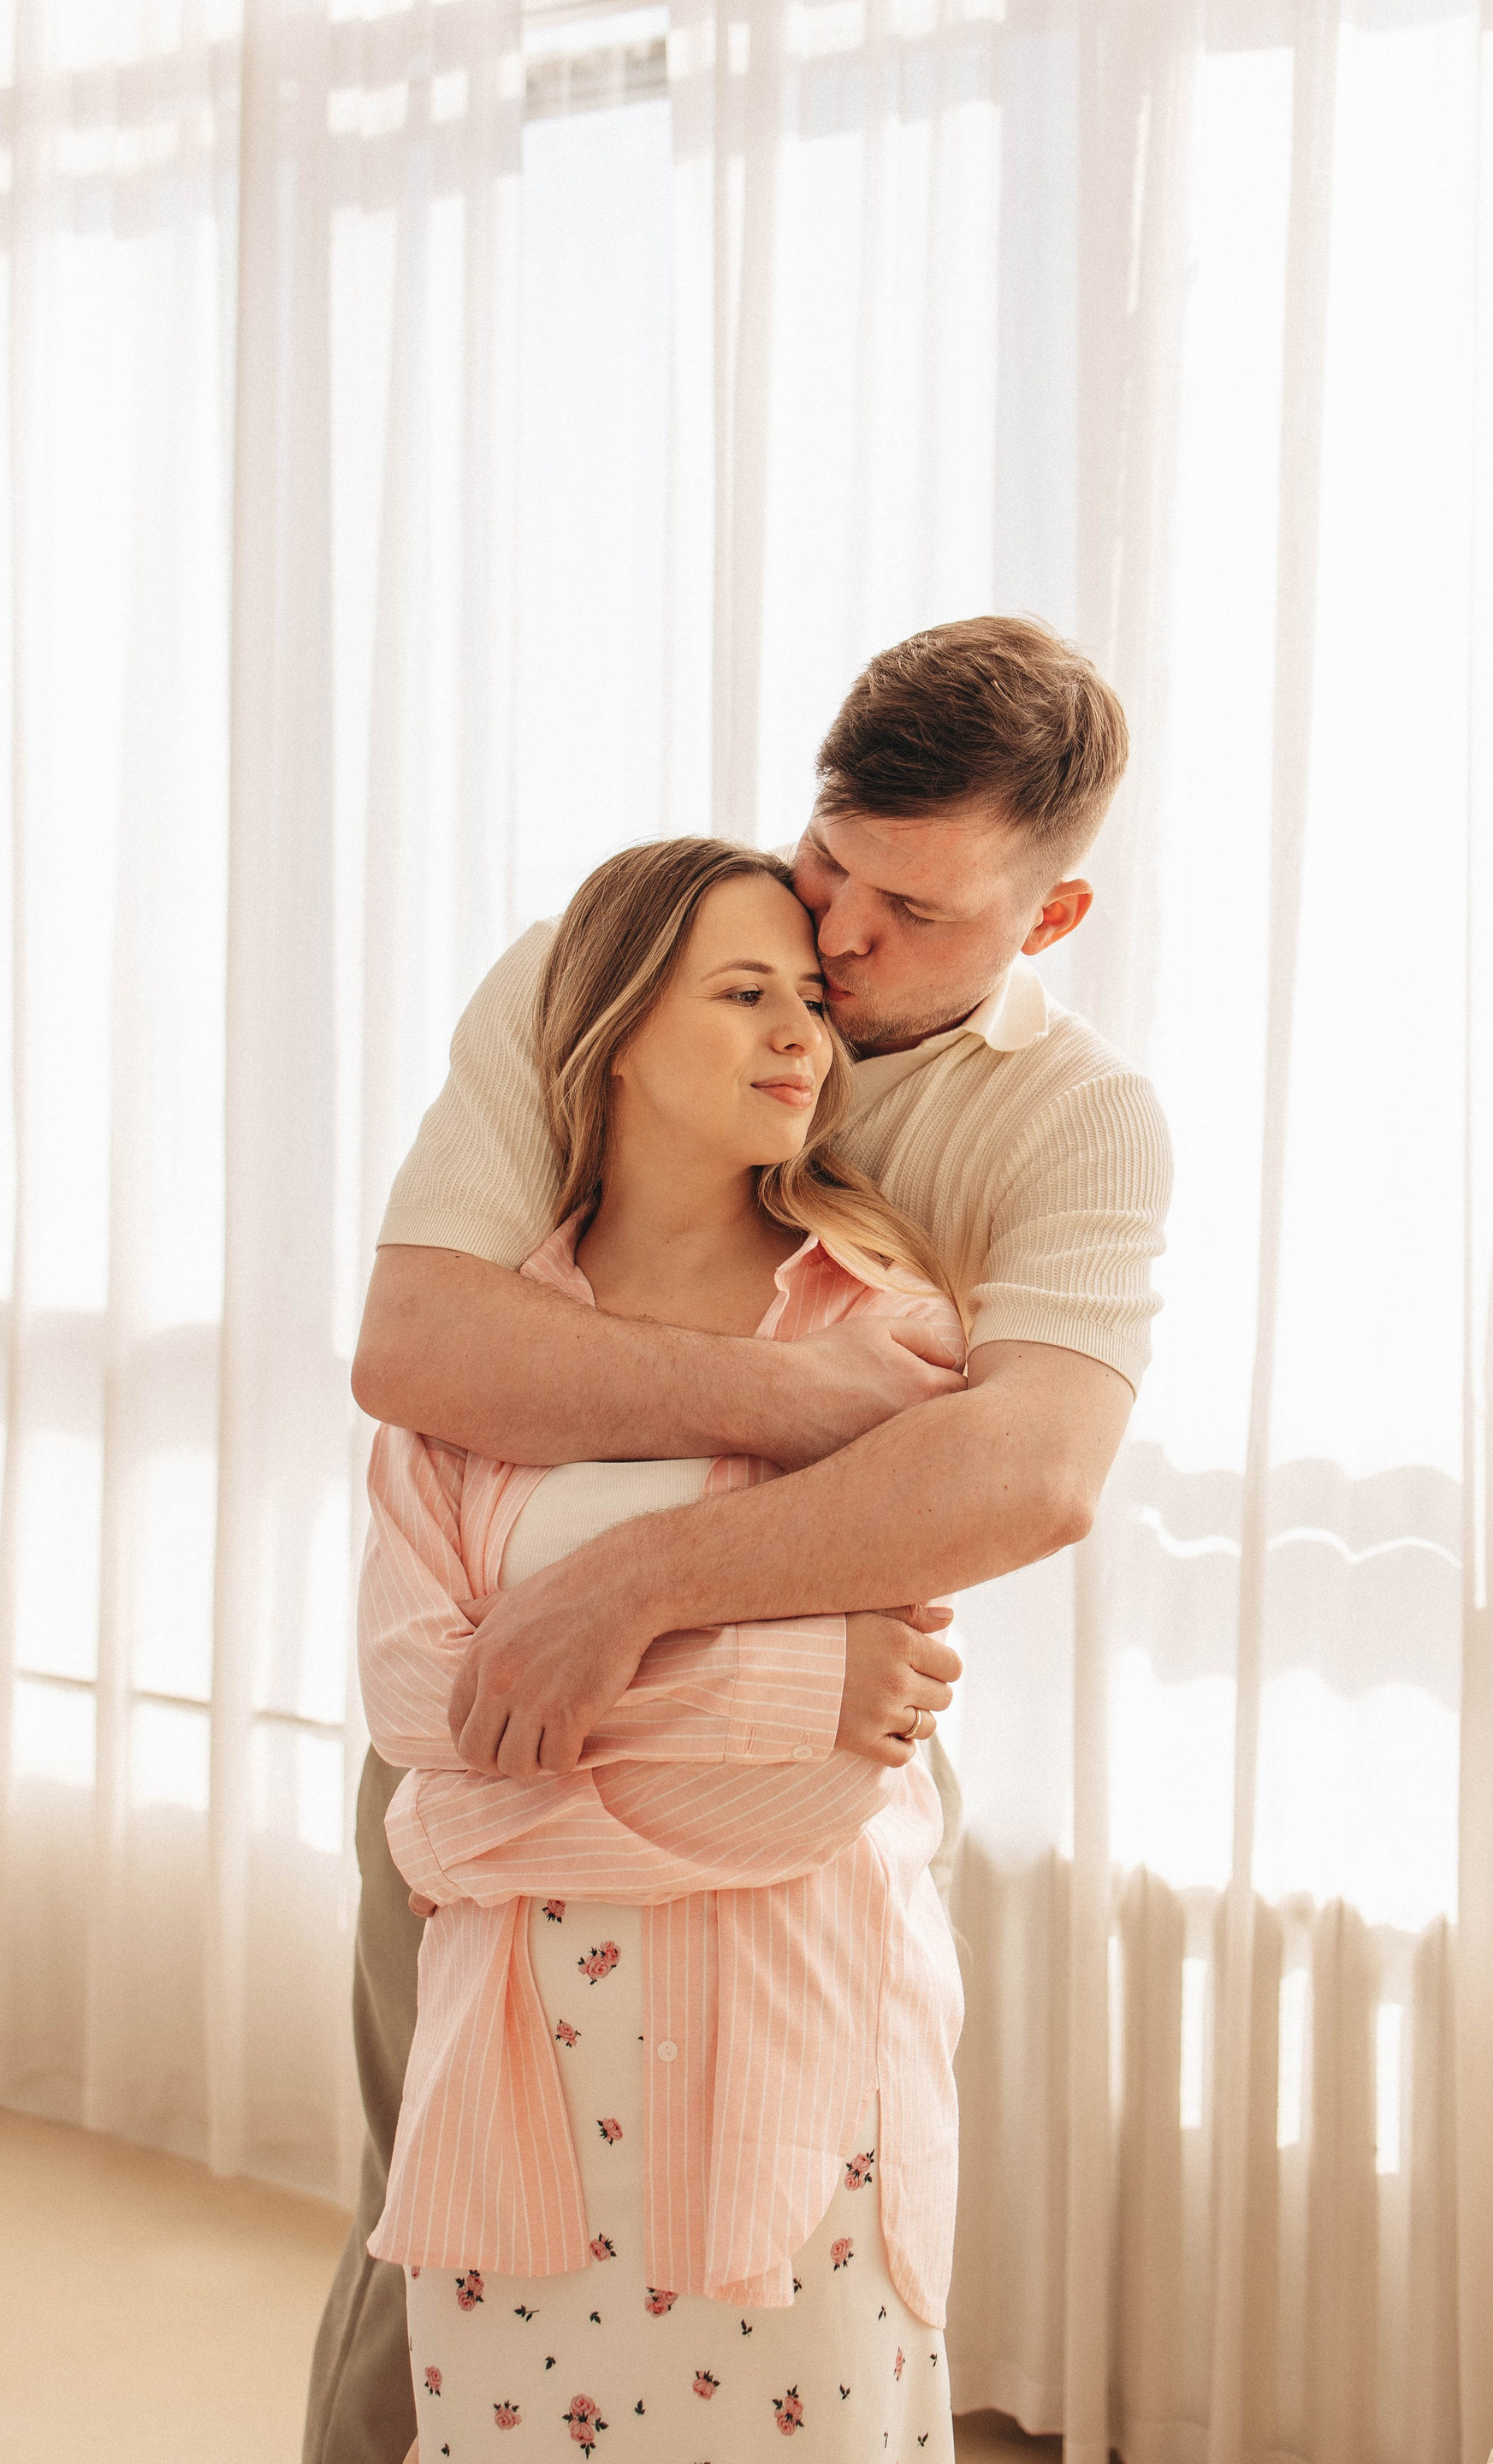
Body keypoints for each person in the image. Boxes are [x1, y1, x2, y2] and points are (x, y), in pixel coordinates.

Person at [303, 614, 1172, 2464]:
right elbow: (422, 1347)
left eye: (913, 911)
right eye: (830, 863)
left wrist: (628, 1595)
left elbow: (1029, 1473)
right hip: (490, 1744)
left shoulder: (1076, 1122)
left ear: (1050, 919)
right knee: (426, 2245)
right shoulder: (613, 966)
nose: (838, 946)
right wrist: (811, 1403)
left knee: (792, 2259)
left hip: (799, 1765)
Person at [363, 838, 970, 2459]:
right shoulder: (483, 1345)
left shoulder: (884, 1332)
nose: (802, 1036)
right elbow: (418, 1700)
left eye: (811, 1002)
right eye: (745, 993)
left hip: (794, 2067)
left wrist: (485, 1810)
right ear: (620, 1028)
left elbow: (820, 1797)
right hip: (516, 2077)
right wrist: (789, 1679)